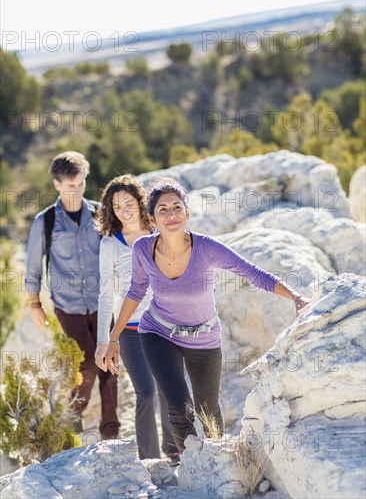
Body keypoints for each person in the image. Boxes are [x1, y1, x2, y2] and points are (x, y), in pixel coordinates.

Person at [104, 180, 310, 452]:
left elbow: (252, 272)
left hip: (204, 338)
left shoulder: (207, 248)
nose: (171, 214)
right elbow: (135, 290)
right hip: (158, 333)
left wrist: (295, 296)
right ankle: (191, 462)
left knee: (208, 411)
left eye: (177, 207)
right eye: (163, 210)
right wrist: (114, 337)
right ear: (151, 218)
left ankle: (216, 458)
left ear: (187, 213)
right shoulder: (143, 248)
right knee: (179, 407)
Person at [25, 151, 119, 440]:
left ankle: (110, 431)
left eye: (80, 185)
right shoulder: (46, 222)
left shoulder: (99, 214)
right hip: (68, 308)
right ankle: (70, 420)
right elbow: (33, 263)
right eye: (70, 186)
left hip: (102, 303)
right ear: (57, 185)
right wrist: (35, 303)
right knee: (87, 364)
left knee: (111, 366)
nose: (76, 191)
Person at [94, 175, 180, 462]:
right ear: (111, 210)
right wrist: (103, 341)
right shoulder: (109, 244)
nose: (124, 210)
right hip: (130, 329)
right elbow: (106, 294)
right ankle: (150, 460)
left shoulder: (159, 230)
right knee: (145, 393)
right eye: (117, 206)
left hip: (165, 325)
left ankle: (175, 450)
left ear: (140, 202)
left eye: (129, 203)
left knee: (170, 389)